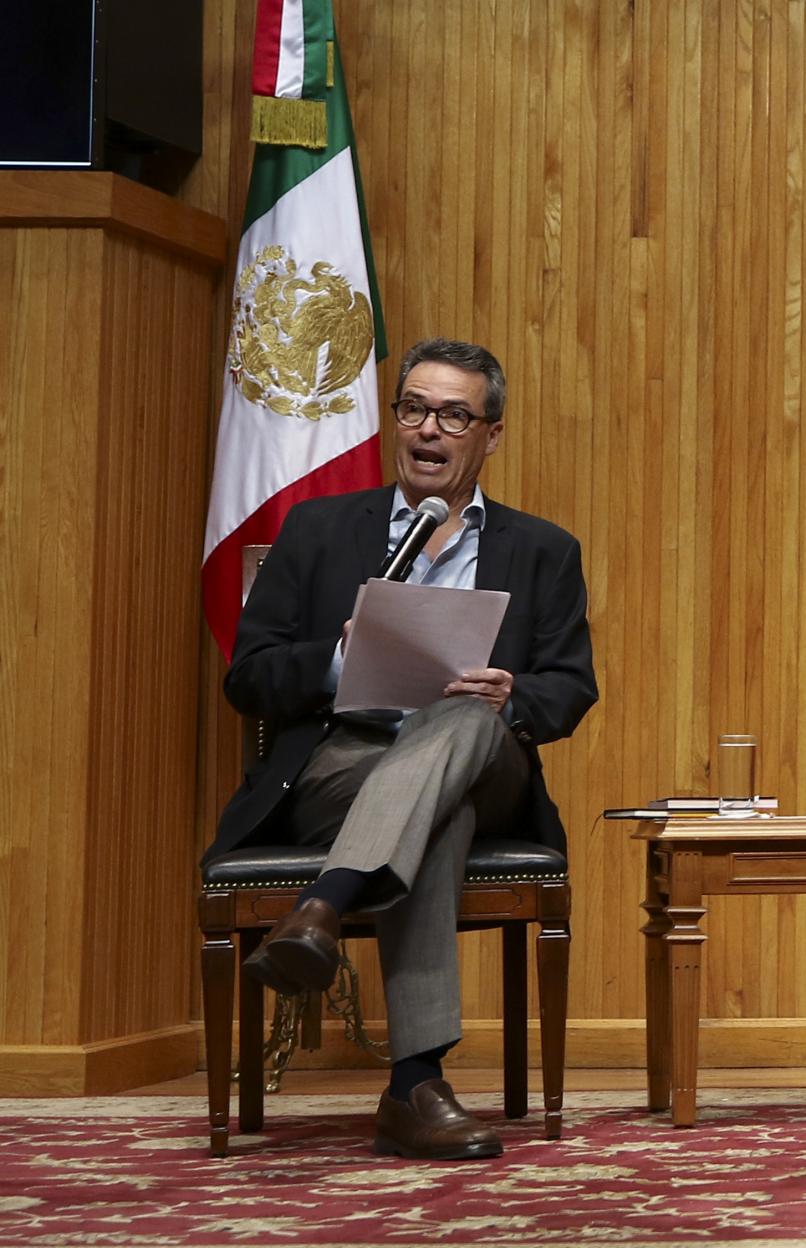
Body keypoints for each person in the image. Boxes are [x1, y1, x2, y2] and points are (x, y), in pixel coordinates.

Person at [208, 338, 597, 1162]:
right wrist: (337, 658)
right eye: (414, 409)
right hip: (343, 766)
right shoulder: (317, 530)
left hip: (487, 759)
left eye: (453, 415)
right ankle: (414, 1088)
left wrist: (510, 696)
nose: (428, 429)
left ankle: (323, 905)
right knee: (437, 811)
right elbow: (249, 677)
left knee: (461, 719)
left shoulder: (544, 549)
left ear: (490, 434)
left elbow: (570, 687)